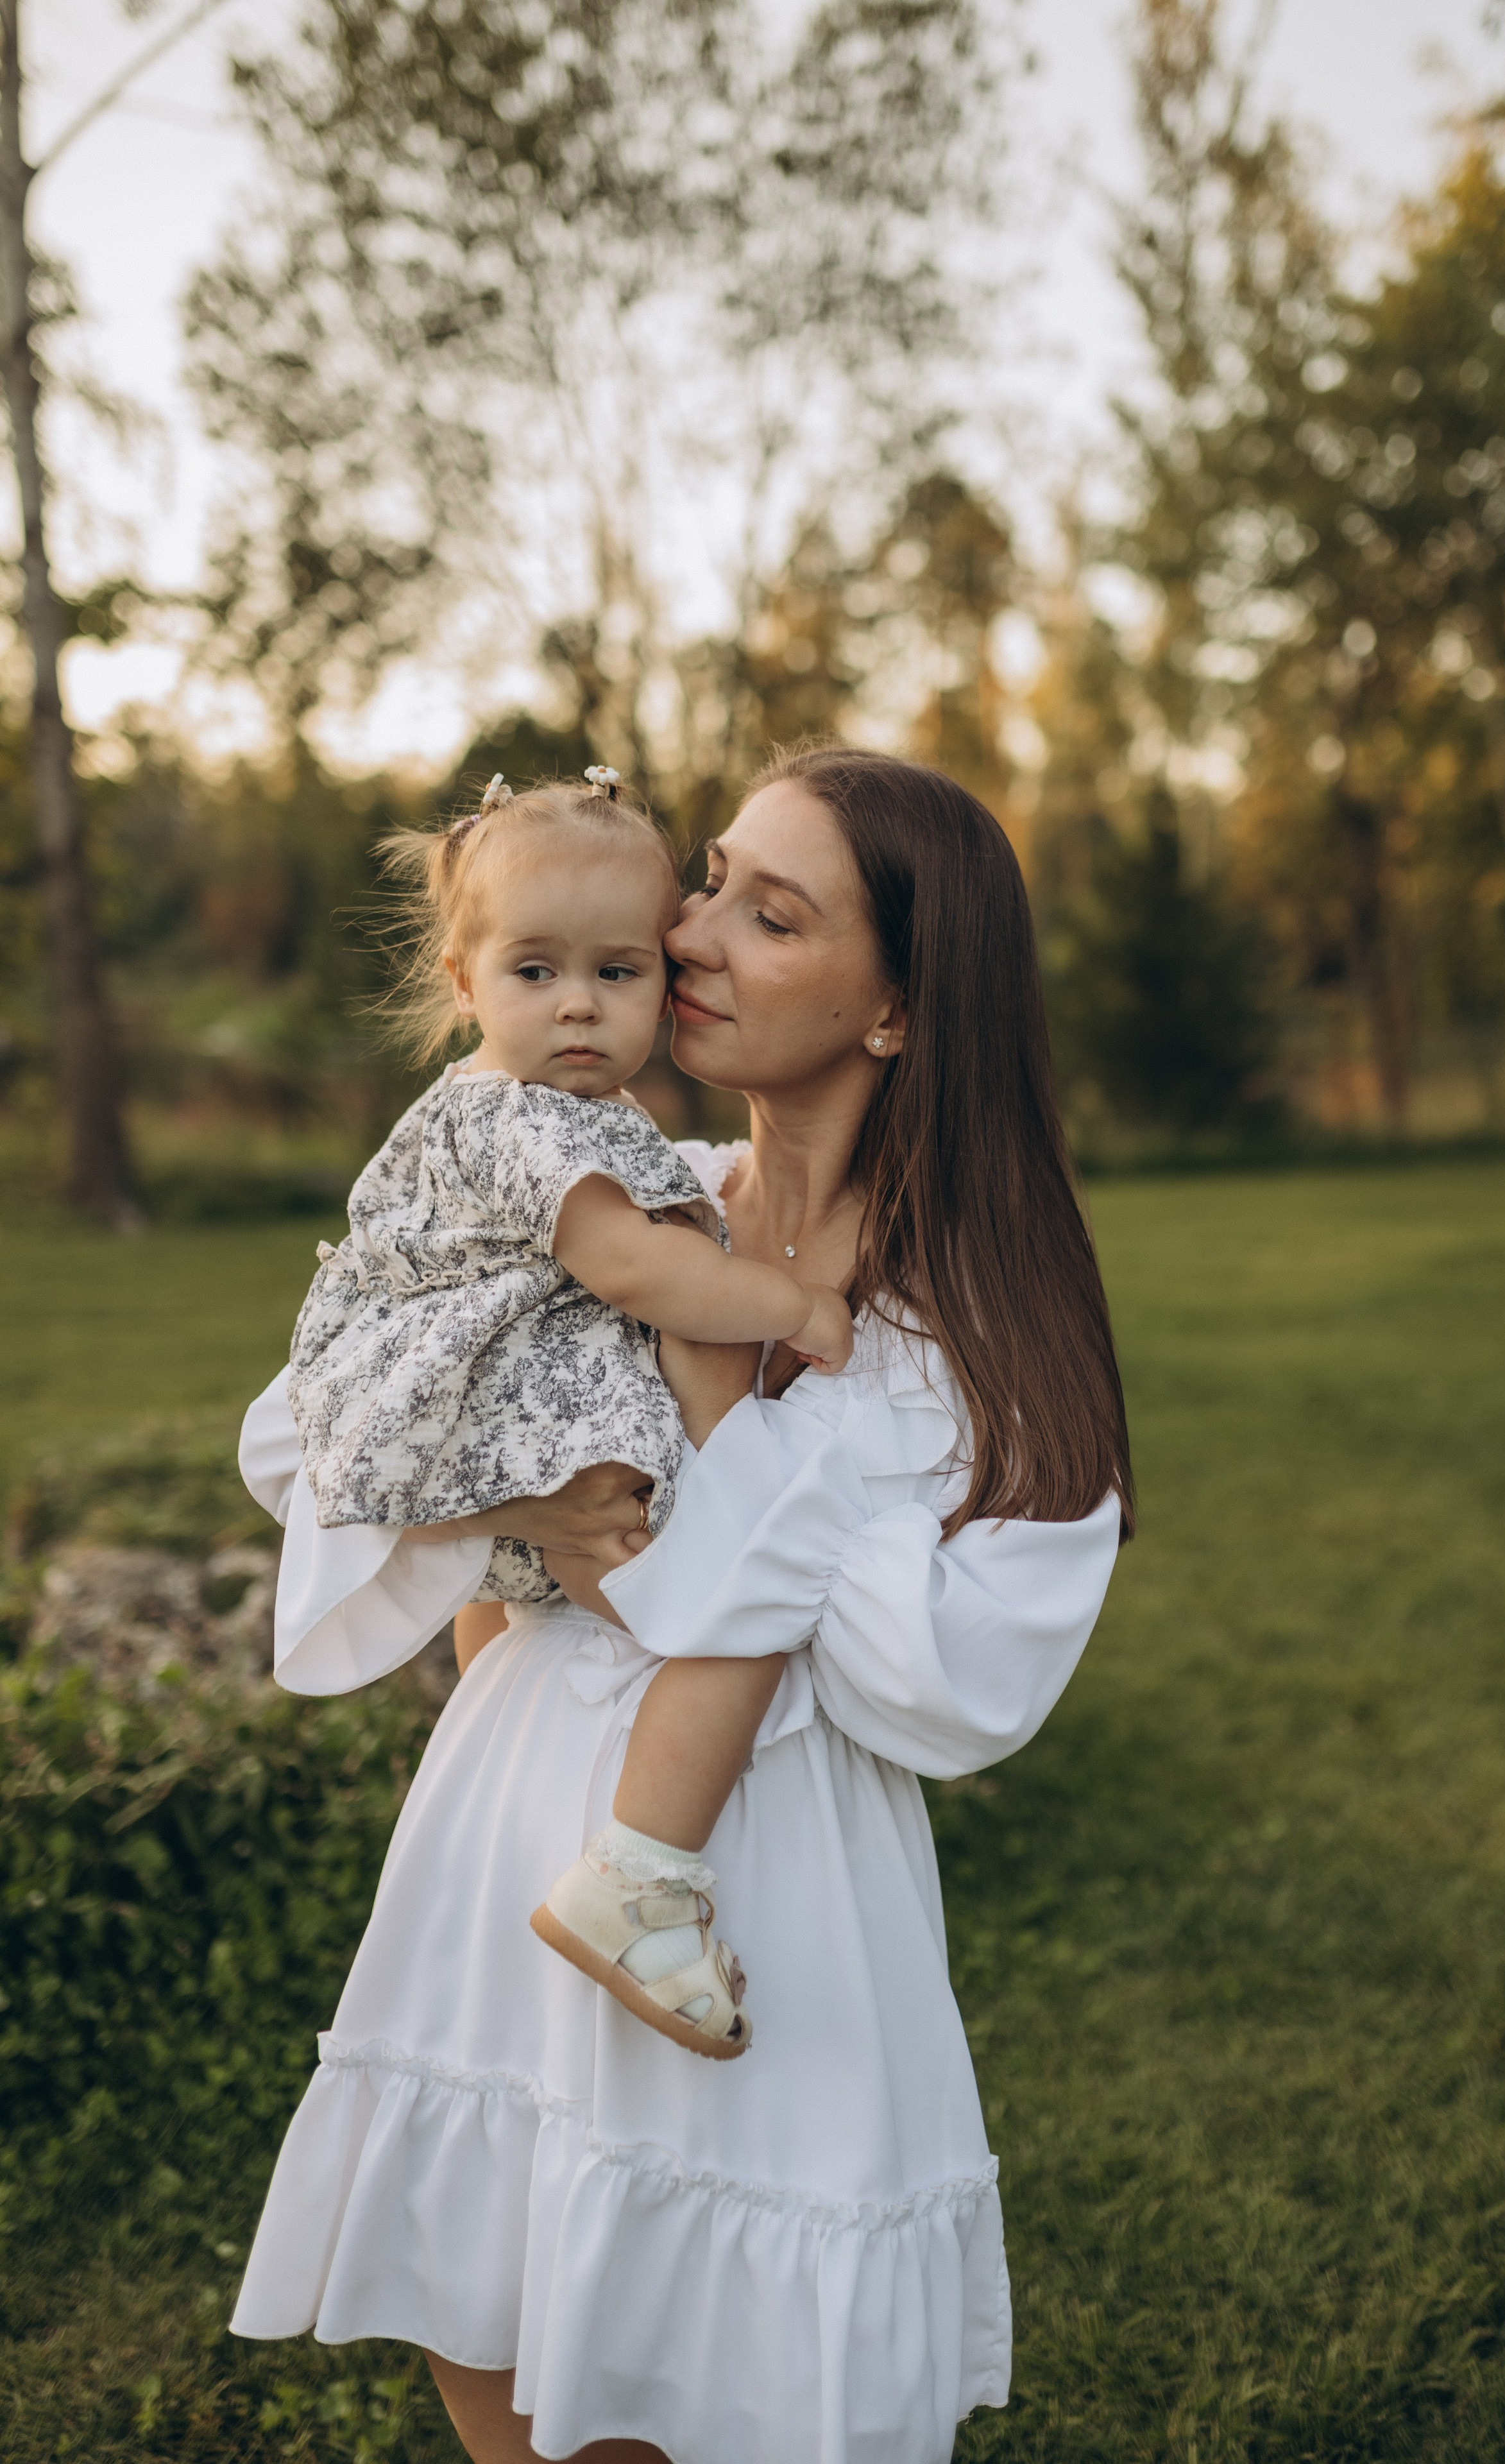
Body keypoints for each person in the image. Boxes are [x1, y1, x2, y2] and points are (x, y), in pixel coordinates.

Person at [232, 746, 1134, 2464]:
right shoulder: (626, 1199)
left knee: (713, 2354)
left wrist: (726, 1421)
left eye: (769, 914)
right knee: (492, 2304)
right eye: (709, 877)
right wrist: (532, 1522)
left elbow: (946, 1688)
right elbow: (315, 1428)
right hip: (510, 1819)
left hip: (760, 1870)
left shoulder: (961, 1324)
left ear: (894, 1015)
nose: (690, 929)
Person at [279, 765, 851, 2057]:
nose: (580, 1006)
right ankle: (642, 1877)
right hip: (490, 1408)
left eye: (619, 972)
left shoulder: (536, 1106)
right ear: (464, 977)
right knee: (741, 1599)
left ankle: (516, 1787)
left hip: (468, 1412)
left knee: (588, 1604)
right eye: (535, 972)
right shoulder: (529, 1122)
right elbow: (633, 1270)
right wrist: (783, 1304)